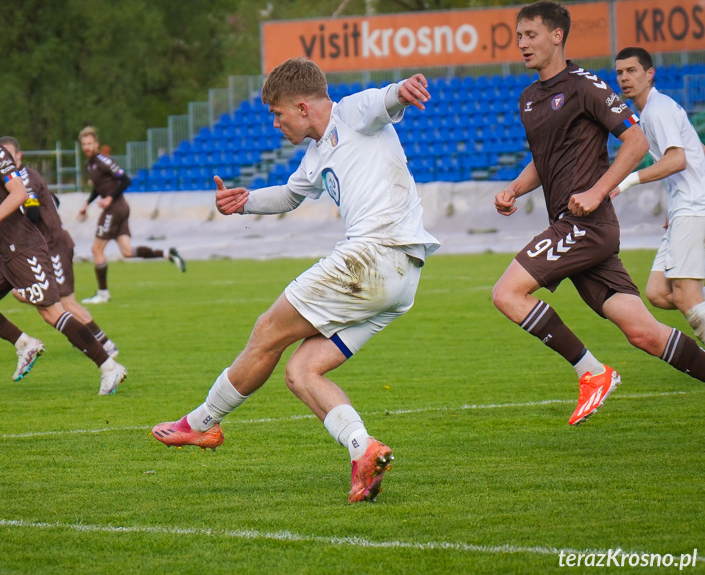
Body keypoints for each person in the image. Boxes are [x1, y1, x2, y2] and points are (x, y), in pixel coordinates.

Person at [151, 57, 440, 504]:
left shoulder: (351, 112)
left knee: (268, 330)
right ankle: (364, 451)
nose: (275, 123)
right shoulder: (316, 154)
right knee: (302, 371)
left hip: (372, 255)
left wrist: (405, 89)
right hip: (401, 279)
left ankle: (202, 423)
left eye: (277, 113)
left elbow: (386, 99)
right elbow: (290, 194)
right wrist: (244, 201)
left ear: (303, 107)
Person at [492, 1, 705, 427]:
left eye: (530, 35)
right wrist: (515, 188)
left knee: (507, 294)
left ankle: (591, 371)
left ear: (557, 36)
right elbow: (544, 157)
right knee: (643, 332)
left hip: (586, 225)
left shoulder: (585, 84)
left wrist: (598, 190)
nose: (522, 44)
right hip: (570, 226)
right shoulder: (529, 98)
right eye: (518, 36)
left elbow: (637, 141)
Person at [0, 101, 127, 395]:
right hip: (4, 252)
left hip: (25, 249)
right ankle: (25, 344)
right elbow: (1, 206)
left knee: (52, 312)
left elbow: (19, 194)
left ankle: (109, 367)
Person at [0, 135, 120, 358]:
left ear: (19, 156)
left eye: (9, 156)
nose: (4, 160)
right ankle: (81, 334)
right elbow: (54, 200)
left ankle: (104, 343)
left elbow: (32, 212)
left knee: (65, 301)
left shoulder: (23, 179)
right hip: (43, 248)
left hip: (54, 246)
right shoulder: (22, 178)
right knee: (20, 293)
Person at [612, 47, 705, 344]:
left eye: (632, 71)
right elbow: (697, 153)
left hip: (693, 208)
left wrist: (626, 181)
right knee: (657, 292)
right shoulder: (652, 111)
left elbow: (677, 160)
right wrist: (672, 207)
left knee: (686, 296)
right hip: (683, 207)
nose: (625, 78)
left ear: (650, 74)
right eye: (620, 72)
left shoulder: (657, 109)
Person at [76, 126, 185, 304]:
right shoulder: (90, 164)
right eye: (84, 144)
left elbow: (125, 180)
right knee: (127, 252)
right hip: (118, 207)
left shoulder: (103, 160)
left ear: (96, 144)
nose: (87, 146)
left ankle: (103, 294)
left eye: (90, 143)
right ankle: (168, 254)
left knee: (96, 250)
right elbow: (98, 187)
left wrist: (110, 198)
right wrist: (87, 204)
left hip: (115, 208)